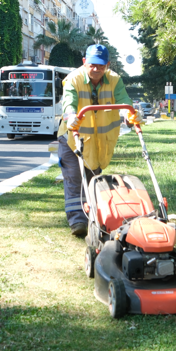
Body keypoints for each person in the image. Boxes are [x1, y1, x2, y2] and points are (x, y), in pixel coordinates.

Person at [57, 44, 140, 237]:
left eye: (101, 66)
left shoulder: (114, 80)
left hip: (97, 141)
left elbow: (124, 101)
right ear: (84, 62)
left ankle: (94, 215)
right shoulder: (73, 79)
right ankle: (77, 220)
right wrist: (71, 116)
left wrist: (130, 114)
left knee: (93, 178)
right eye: (92, 65)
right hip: (71, 137)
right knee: (74, 178)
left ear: (107, 65)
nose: (96, 69)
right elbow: (68, 101)